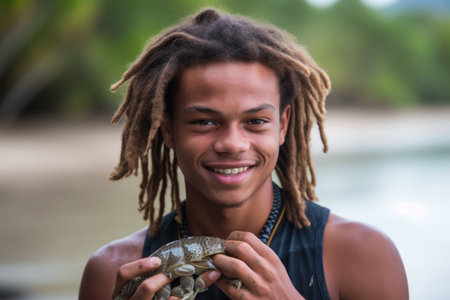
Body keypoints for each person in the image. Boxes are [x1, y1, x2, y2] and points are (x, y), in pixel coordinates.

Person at [79, 8, 408, 300]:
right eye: (204, 121)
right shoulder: (113, 271)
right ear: (167, 129)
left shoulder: (362, 256)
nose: (232, 143)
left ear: (282, 125)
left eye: (255, 121)